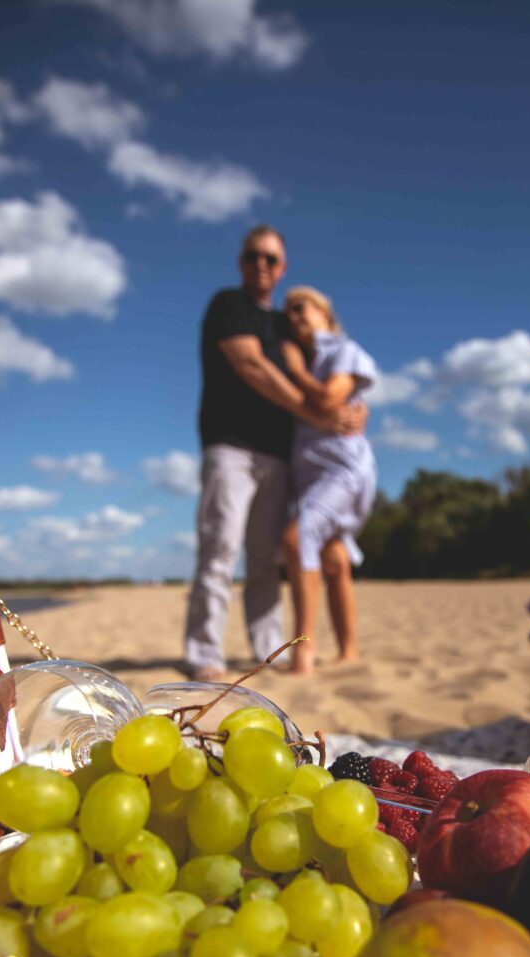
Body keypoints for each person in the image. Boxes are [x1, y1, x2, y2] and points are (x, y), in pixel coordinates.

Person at [184, 227, 364, 681]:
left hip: (280, 455)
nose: (261, 265)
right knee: (220, 548)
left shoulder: (286, 326)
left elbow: (330, 368)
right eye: (253, 256)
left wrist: (355, 407)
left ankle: (268, 648)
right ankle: (204, 652)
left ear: (282, 268)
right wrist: (319, 415)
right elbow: (252, 366)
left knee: (265, 558)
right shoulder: (228, 305)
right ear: (241, 261)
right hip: (231, 446)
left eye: (271, 259)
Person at [280, 286, 378, 675]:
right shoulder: (308, 359)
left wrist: (295, 371)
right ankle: (349, 652)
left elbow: (328, 400)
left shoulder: (342, 351)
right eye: (288, 312)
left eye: (300, 307)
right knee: (334, 558)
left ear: (325, 313)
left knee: (297, 536)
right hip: (313, 476)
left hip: (343, 470)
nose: (293, 316)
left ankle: (303, 649)